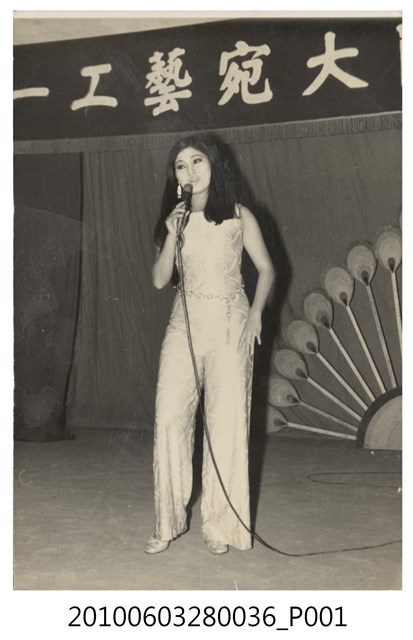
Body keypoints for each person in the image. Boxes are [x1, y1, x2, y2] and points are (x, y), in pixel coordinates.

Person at [145, 134, 275, 555]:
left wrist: (256, 313)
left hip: (230, 322)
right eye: (181, 165)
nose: (190, 171)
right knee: (169, 416)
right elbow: (160, 280)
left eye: (197, 161)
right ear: (175, 176)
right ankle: (167, 522)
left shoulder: (239, 214)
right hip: (184, 323)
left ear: (214, 164)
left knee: (226, 423)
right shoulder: (174, 220)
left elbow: (267, 269)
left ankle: (219, 526)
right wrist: (170, 233)